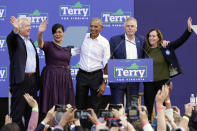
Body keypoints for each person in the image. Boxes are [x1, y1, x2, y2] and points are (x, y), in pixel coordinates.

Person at [143, 17, 193, 120]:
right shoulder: (144, 50)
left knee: (165, 109)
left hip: (163, 83)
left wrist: (188, 30)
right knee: (148, 108)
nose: (151, 38)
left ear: (158, 37)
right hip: (149, 83)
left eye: (154, 36)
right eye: (149, 36)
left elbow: (180, 41)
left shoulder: (165, 47)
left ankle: (166, 127)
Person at [6, 16, 40, 130]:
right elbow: (10, 39)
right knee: (16, 115)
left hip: (32, 81)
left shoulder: (30, 41)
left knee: (31, 113)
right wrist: (14, 30)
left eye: (30, 25)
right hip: (21, 81)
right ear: (19, 28)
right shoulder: (15, 41)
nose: (29, 28)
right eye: (26, 26)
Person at [37, 20, 76, 114]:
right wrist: (40, 32)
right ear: (52, 34)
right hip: (51, 77)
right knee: (51, 102)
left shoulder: (69, 46)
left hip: (64, 78)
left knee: (65, 104)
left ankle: (64, 124)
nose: (57, 34)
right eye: (55, 32)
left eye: (60, 32)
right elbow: (40, 43)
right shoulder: (49, 45)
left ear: (64, 33)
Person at [75, 17, 110, 113]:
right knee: (80, 104)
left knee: (96, 105)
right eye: (91, 26)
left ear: (101, 27)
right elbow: (74, 52)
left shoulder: (104, 42)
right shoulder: (82, 37)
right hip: (82, 75)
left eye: (96, 27)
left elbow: (107, 63)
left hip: (96, 77)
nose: (93, 29)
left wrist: (104, 83)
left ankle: (95, 127)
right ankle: (79, 126)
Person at [108, 17, 145, 107]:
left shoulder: (142, 40)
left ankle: (132, 121)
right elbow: (109, 58)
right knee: (117, 107)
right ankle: (118, 121)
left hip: (134, 80)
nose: (130, 28)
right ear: (124, 28)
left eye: (132, 26)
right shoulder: (115, 40)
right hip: (118, 80)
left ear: (136, 28)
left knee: (133, 108)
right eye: (128, 26)